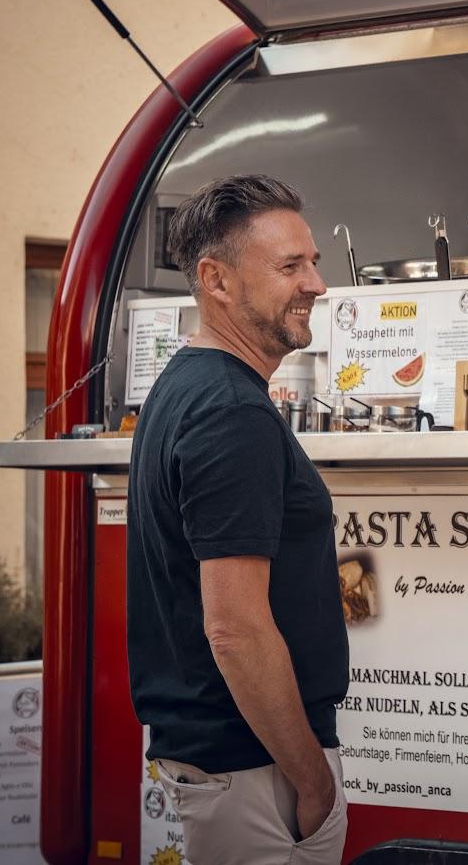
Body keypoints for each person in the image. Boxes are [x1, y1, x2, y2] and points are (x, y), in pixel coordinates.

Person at [127, 174, 349, 865]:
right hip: (256, 770)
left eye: (313, 261)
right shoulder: (229, 412)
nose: (315, 283)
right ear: (215, 280)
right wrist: (311, 780)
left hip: (230, 764)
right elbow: (235, 628)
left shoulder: (186, 385)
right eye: (290, 266)